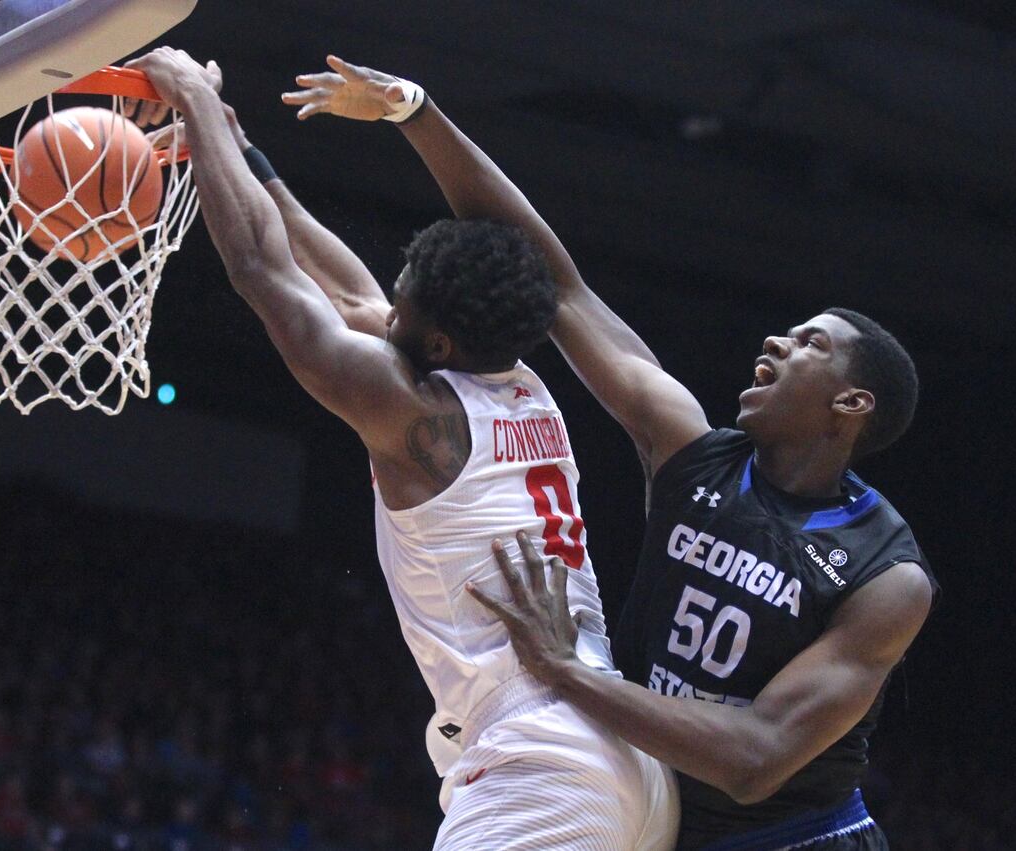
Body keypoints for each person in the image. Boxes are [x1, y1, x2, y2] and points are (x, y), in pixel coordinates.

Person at [278, 56, 938, 851]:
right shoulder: (691, 450)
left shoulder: (886, 574)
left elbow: (756, 758)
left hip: (791, 839)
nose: (775, 340)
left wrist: (570, 675)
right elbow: (555, 285)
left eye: (809, 345)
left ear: (852, 404)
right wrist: (414, 112)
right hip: (654, 811)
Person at [124, 47, 676, 850]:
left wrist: (192, 96)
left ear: (441, 340)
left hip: (543, 760)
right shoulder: (518, 380)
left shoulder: (418, 420)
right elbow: (352, 295)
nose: (389, 309)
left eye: (405, 303)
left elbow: (259, 269)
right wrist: (239, 148)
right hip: (619, 747)